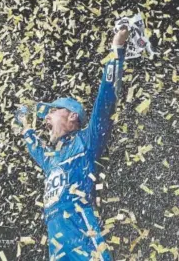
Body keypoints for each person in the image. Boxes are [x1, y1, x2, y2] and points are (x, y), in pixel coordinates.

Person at [15, 16, 149, 260]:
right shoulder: (52, 159)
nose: (47, 119)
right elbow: (33, 146)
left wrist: (117, 48)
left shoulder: (87, 140)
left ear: (72, 116)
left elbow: (106, 98)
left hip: (86, 248)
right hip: (58, 252)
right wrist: (24, 125)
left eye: (53, 111)